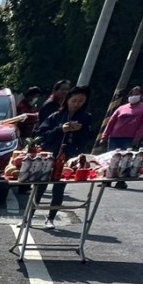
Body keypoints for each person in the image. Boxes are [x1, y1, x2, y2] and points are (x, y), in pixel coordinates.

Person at [33, 84, 96, 226]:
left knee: (59, 188)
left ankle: (51, 218)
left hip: (68, 158)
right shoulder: (56, 116)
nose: (77, 104)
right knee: (40, 187)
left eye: (81, 101)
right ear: (67, 100)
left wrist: (79, 131)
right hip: (49, 156)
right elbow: (41, 135)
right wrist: (61, 129)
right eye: (74, 101)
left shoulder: (86, 118)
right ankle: (28, 217)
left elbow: (86, 139)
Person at [100, 85, 143, 189]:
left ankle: (121, 181)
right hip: (114, 136)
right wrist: (104, 135)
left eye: (136, 94)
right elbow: (111, 122)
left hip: (128, 138)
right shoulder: (122, 108)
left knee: (125, 160)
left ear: (141, 96)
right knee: (112, 159)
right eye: (132, 94)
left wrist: (138, 137)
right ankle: (108, 180)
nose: (133, 96)